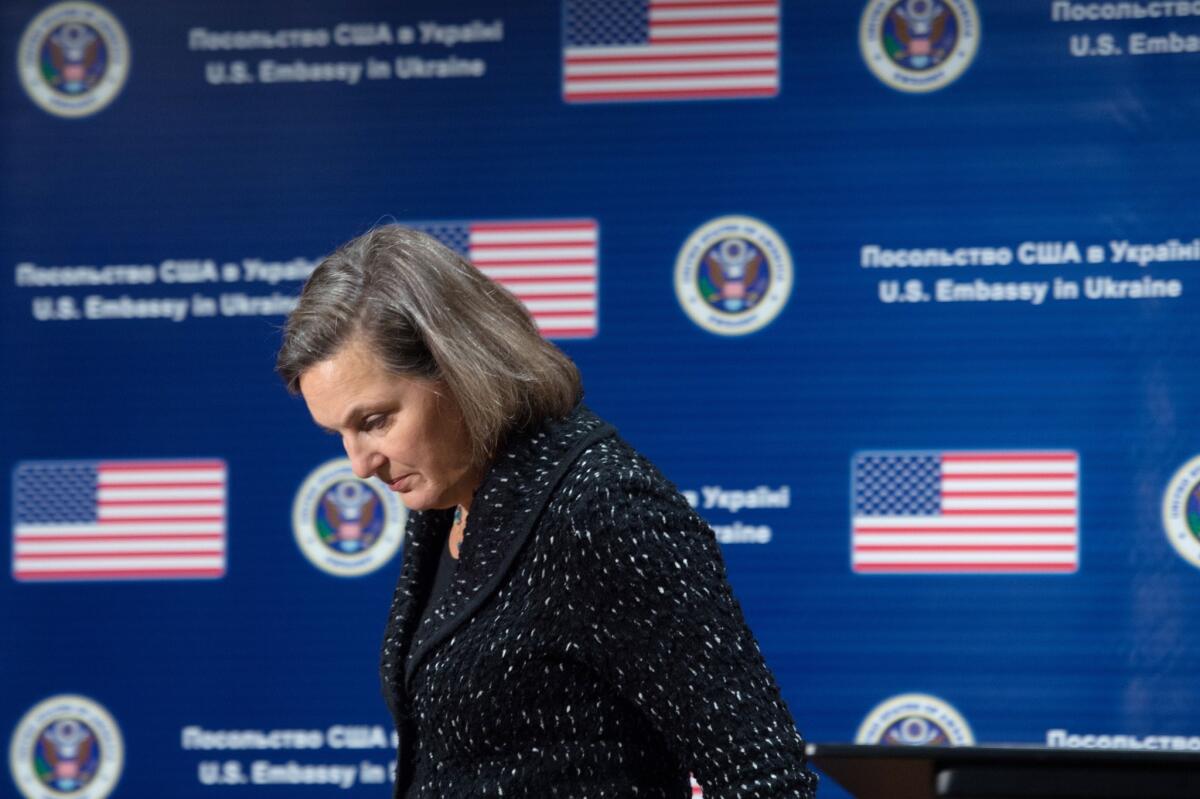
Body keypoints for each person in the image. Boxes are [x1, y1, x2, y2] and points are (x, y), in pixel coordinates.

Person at [276, 225, 818, 798]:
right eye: (339, 432)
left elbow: (764, 779)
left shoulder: (603, 509)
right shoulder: (446, 499)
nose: (360, 465)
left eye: (376, 420)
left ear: (460, 370)